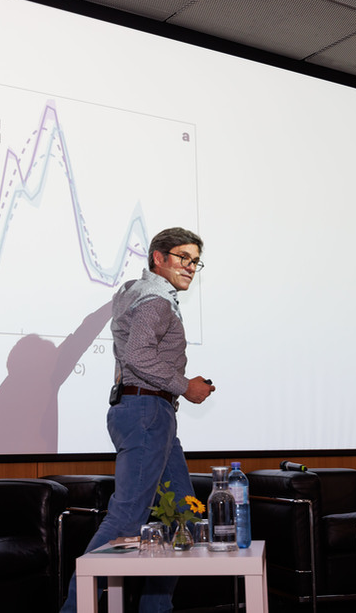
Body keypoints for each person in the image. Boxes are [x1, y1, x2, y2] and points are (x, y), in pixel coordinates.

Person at [59, 227, 216, 613]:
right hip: (147, 411)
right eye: (183, 257)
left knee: (183, 516)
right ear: (158, 258)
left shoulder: (136, 291)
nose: (190, 267)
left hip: (150, 413)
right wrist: (186, 386)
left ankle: (155, 608)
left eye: (195, 261)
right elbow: (139, 356)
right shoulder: (155, 300)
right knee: (127, 518)